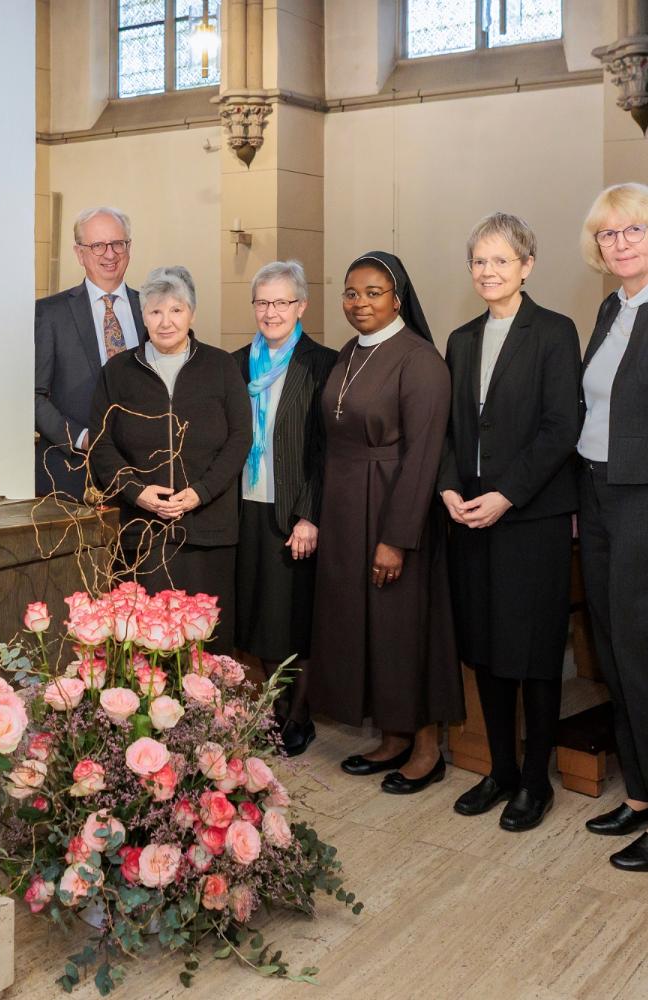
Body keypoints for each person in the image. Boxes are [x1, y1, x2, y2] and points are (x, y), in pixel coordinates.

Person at [438, 213, 581, 831]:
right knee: (487, 651)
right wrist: (447, 486)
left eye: (501, 260)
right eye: (479, 261)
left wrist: (507, 495)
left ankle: (534, 781)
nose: (488, 271)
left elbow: (560, 430)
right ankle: (498, 769)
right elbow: (447, 429)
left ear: (527, 265)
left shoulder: (554, 332)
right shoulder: (461, 338)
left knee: (534, 654)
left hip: (530, 518)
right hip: (469, 515)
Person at [311, 251, 462, 793]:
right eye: (351, 293)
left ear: (398, 297)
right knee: (366, 627)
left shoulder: (420, 360)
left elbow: (423, 456)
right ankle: (392, 735)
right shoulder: (350, 352)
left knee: (403, 629)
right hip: (349, 508)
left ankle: (426, 747)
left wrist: (396, 538)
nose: (360, 303)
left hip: (397, 508)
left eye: (373, 292)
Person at [88, 266, 251, 653]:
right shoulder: (119, 371)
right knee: (147, 646)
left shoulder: (221, 366)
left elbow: (240, 438)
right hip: (144, 533)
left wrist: (201, 491)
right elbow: (101, 443)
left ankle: (210, 714)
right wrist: (135, 492)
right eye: (155, 312)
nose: (166, 322)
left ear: (192, 314)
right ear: (142, 316)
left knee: (206, 646)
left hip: (208, 530)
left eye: (176, 310)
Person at [232, 260, 336, 756]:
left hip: (293, 511)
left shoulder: (323, 364)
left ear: (302, 306)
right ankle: (269, 710)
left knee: (295, 616)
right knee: (257, 615)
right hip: (245, 507)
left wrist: (310, 514)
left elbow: (325, 450)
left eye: (282, 302)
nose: (271, 311)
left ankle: (299, 715)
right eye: (263, 302)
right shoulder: (235, 365)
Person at [576, 182, 648, 872]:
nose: (620, 243)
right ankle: (641, 793)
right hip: (597, 491)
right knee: (613, 649)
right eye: (608, 233)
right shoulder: (611, 307)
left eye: (632, 231)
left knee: (643, 652)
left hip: (642, 497)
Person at [34, 207, 146, 500]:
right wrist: (82, 438)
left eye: (117, 243)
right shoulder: (50, 314)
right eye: (97, 245)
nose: (109, 254)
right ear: (80, 253)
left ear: (129, 248)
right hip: (72, 474)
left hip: (142, 475)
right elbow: (33, 395)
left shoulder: (150, 309)